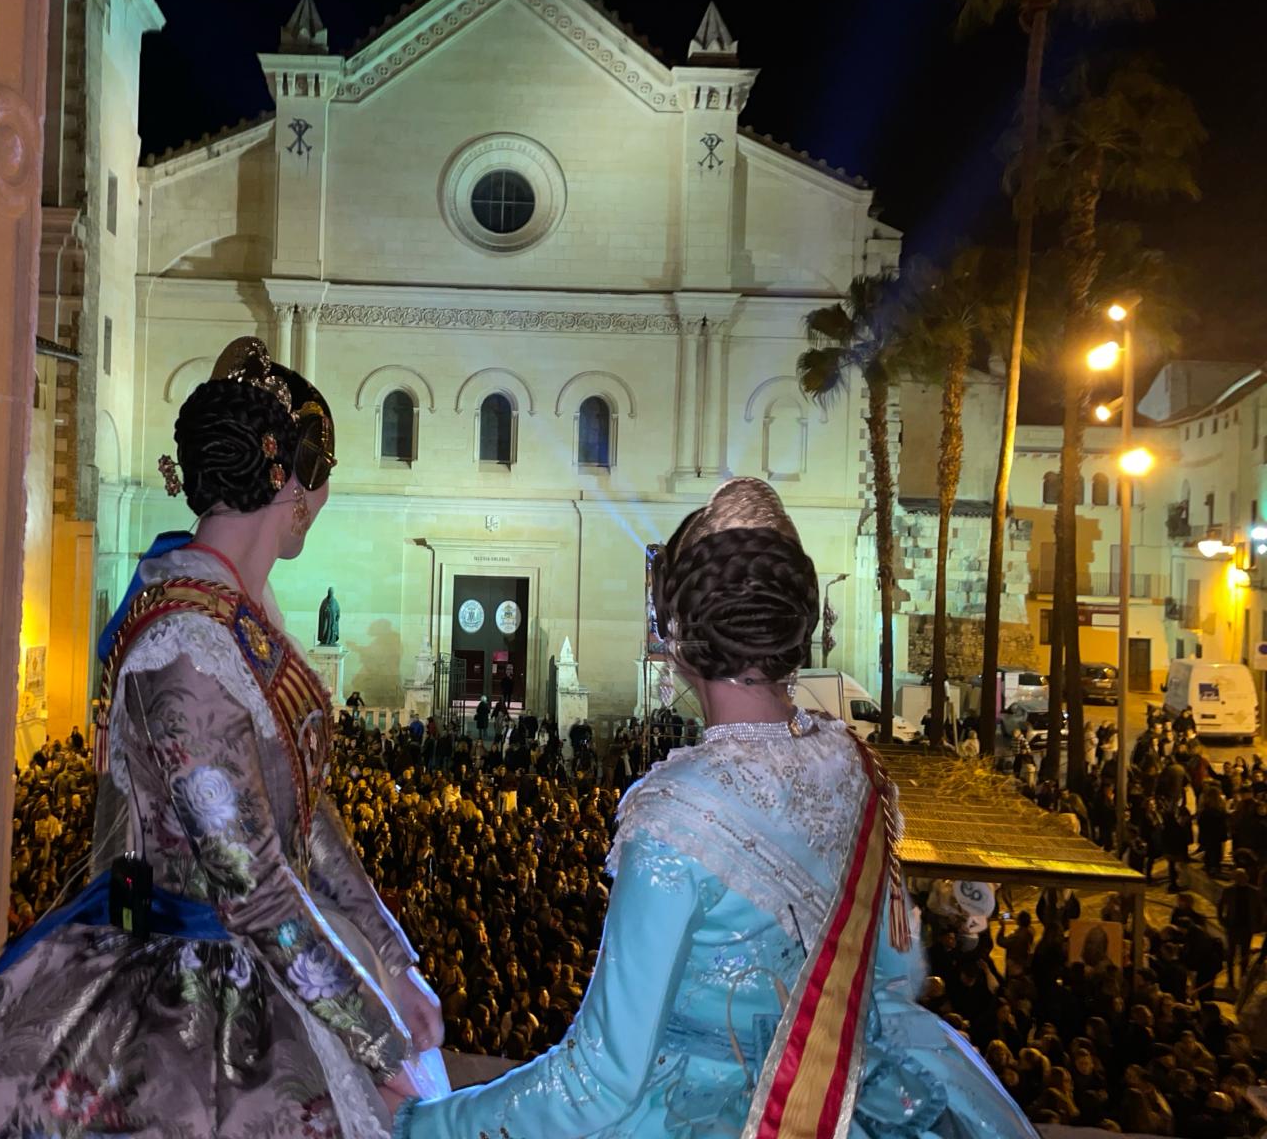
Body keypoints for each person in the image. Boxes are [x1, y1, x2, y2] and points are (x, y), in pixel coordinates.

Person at [0, 339, 443, 1137]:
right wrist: (372, 1034)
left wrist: (392, 958)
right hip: (190, 992)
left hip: (270, 963)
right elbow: (255, 885)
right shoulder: (186, 648)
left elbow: (306, 820)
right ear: (290, 483)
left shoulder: (236, 616)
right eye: (320, 482)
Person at [393, 478, 1034, 1138]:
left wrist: (421, 1125)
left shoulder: (674, 816)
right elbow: (896, 977)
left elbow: (599, 1083)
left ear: (679, 639)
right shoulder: (859, 772)